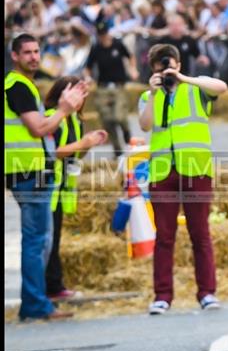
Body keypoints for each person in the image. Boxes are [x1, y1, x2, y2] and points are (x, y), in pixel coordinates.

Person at [138, 43, 228, 314]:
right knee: (164, 236)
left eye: (170, 63)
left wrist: (182, 78)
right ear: (152, 69)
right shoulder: (147, 95)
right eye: (160, 65)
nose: (166, 69)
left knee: (200, 234)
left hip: (195, 169)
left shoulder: (196, 89)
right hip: (163, 171)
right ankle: (162, 295)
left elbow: (221, 87)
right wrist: (154, 93)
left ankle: (207, 293)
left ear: (178, 63)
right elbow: (145, 125)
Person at [5, 33, 87, 321]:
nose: (34, 57)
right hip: (30, 171)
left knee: (39, 239)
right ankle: (36, 305)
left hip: (27, 169)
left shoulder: (24, 85)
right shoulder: (17, 85)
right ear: (14, 56)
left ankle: (36, 302)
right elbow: (38, 129)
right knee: (37, 240)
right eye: (26, 52)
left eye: (37, 51)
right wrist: (65, 109)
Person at [43, 76, 108, 300]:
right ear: (63, 94)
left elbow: (75, 154)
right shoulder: (52, 118)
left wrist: (89, 143)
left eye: (83, 95)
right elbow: (55, 151)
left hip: (61, 190)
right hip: (47, 186)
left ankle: (54, 286)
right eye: (77, 93)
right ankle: (50, 287)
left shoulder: (75, 120)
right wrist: (83, 144)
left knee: (55, 239)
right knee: (46, 241)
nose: (80, 99)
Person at [83, 22, 139, 158]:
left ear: (108, 33)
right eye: (100, 35)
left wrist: (133, 69)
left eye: (104, 34)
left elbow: (130, 56)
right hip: (103, 87)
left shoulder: (118, 45)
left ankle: (127, 134)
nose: (103, 37)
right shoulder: (96, 48)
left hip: (118, 86)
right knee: (107, 120)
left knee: (119, 116)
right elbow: (88, 67)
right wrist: (87, 77)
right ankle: (118, 150)